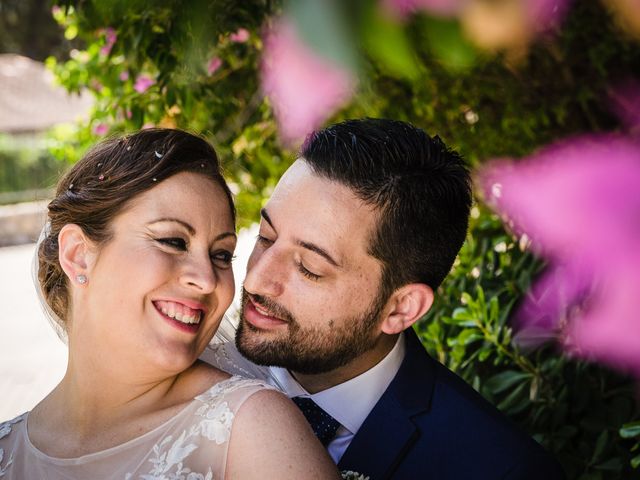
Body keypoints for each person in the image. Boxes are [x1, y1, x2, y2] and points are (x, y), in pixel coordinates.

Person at [205, 118, 565, 479]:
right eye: (266, 237)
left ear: (400, 307)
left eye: (310, 268)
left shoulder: (500, 469)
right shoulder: (189, 365)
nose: (255, 280)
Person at [0, 129, 339, 479]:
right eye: (173, 241)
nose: (207, 279)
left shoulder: (248, 429)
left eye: (221, 255)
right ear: (78, 255)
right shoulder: (6, 451)